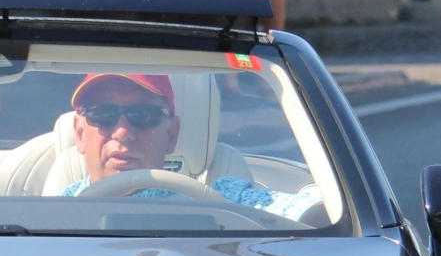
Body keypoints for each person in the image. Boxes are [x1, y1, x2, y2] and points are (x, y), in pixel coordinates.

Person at [54, 73, 323, 219]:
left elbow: (312, 211)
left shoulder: (222, 202)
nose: (123, 131)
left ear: (172, 134)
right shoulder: (47, 213)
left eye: (143, 115)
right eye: (102, 114)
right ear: (79, 132)